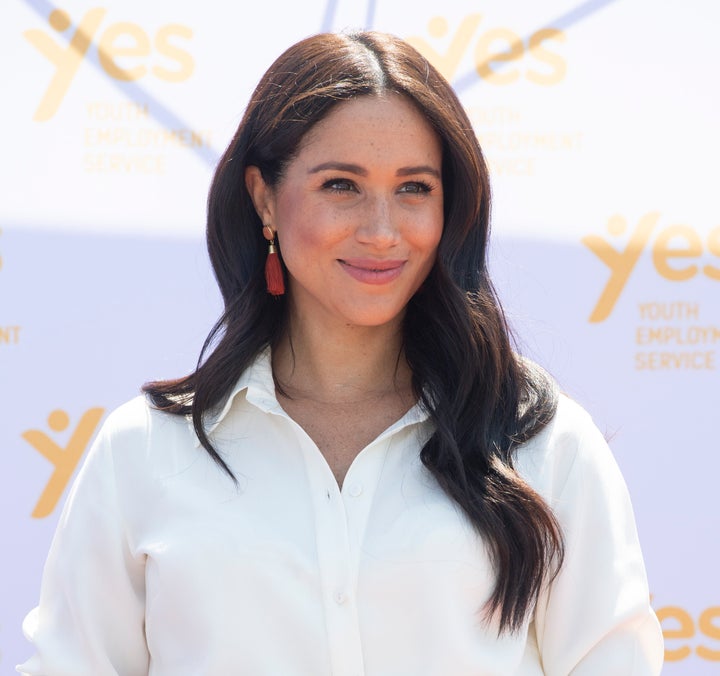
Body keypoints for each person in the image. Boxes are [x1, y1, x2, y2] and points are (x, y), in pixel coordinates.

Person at [19, 31, 663, 675]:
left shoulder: (543, 445)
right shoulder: (145, 451)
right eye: (341, 186)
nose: (382, 231)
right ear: (264, 197)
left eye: (414, 189)